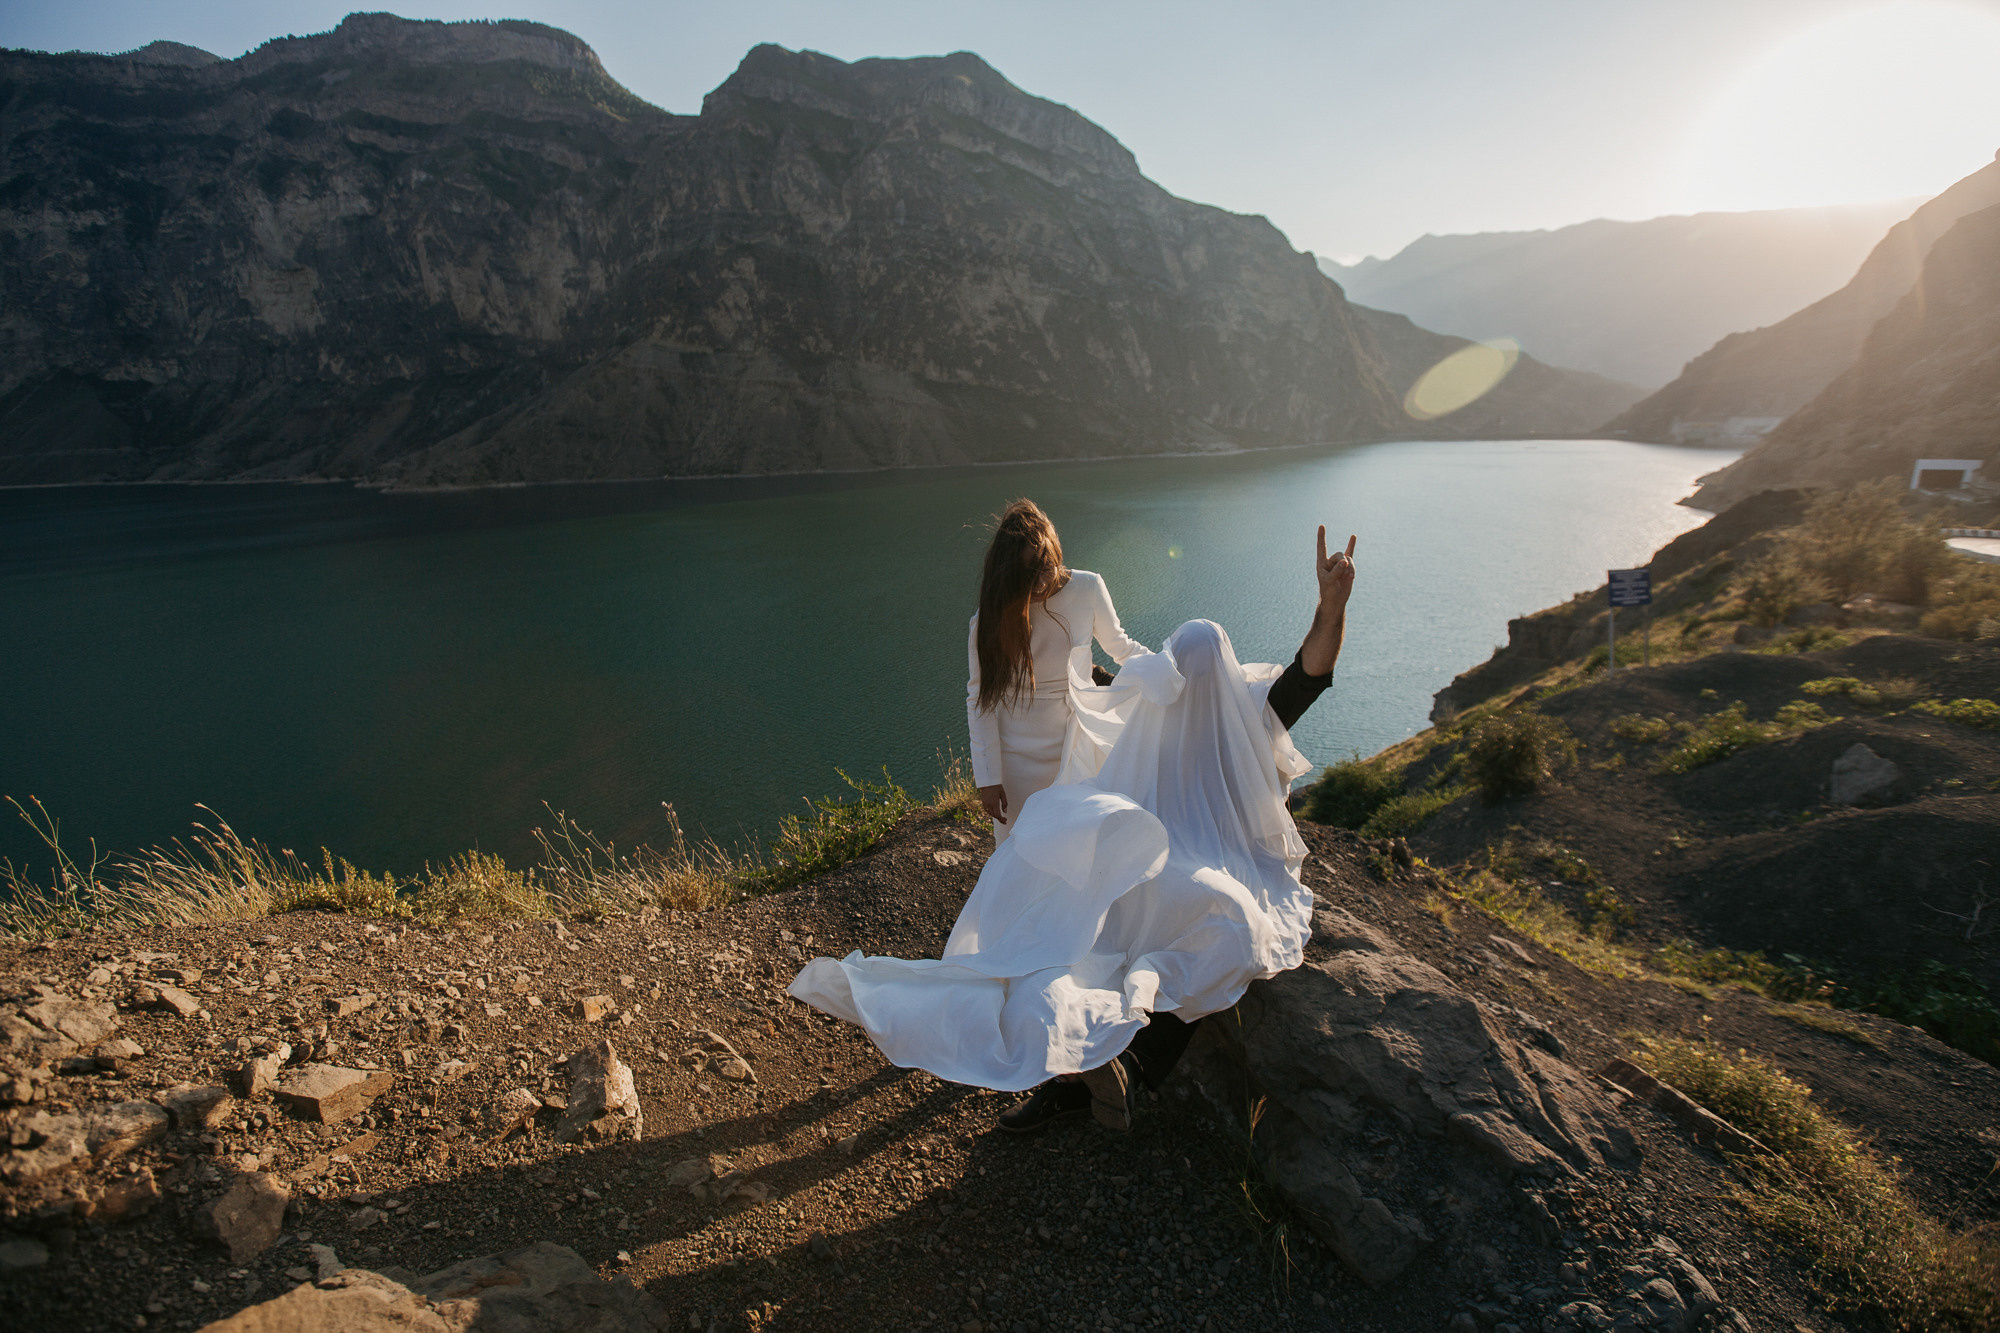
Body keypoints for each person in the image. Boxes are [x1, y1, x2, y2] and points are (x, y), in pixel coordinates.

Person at [787, 523, 1357, 1134]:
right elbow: (1087, 689)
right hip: (1155, 863)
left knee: (1215, 924)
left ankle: (1112, 1073)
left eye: (1196, 670)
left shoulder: (1247, 709)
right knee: (1080, 941)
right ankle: (1073, 1068)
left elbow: (1309, 675)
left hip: (1213, 862)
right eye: (1179, 669)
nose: (1188, 679)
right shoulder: (1155, 707)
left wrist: (1331, 608)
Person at [965, 499, 1148, 845]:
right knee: (1019, 848)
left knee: (1080, 842)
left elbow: (1122, 647)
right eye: (1025, 575)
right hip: (1017, 759)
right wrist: (987, 778)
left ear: (1054, 554)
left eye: (1042, 570)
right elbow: (980, 700)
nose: (1036, 585)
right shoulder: (987, 618)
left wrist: (1170, 668)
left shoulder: (1088, 588)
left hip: (1077, 745)